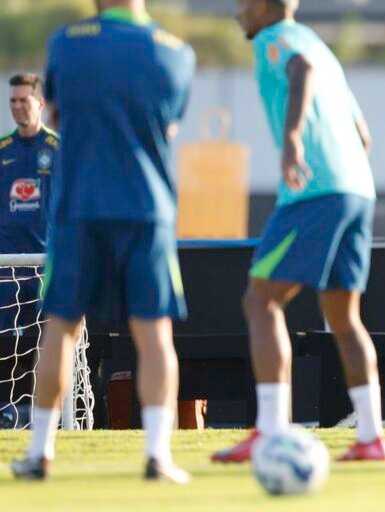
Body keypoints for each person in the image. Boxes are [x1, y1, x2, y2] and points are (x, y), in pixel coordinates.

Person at [11, 0, 195, 482]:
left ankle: (40, 452)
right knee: (154, 333)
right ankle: (158, 455)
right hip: (146, 208)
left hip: (79, 208)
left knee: (61, 329)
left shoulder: (66, 44)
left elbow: (55, 112)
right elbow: (169, 126)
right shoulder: (176, 52)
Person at [213, 0, 385, 462]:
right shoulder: (322, 46)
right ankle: (371, 437)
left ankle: (269, 431)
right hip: (357, 190)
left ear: (266, 6)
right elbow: (363, 134)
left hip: (316, 192)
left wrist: (292, 140)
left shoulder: (279, 39)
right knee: (345, 317)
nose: (236, 12)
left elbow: (301, 69)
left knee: (261, 299)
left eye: (242, 3)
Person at [0, 74, 58, 333]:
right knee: (8, 357)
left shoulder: (59, 149)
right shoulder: (3, 150)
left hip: (46, 266)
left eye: (23, 100)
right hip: (7, 269)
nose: (16, 106)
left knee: (45, 349)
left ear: (40, 103)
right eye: (12, 100)